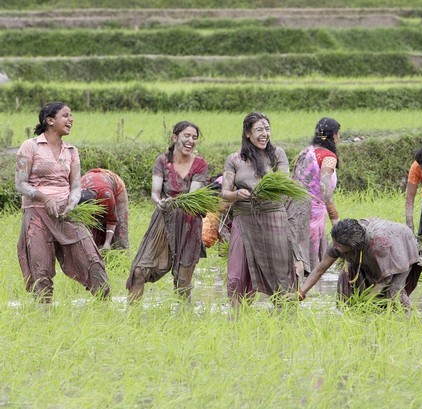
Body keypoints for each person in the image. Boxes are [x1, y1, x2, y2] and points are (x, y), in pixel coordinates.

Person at [15, 102, 110, 302]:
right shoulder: (30, 146)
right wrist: (44, 198)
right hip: (37, 215)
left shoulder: (71, 151)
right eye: (65, 115)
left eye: (71, 115)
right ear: (50, 120)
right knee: (41, 271)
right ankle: (43, 314)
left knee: (93, 262)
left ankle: (105, 309)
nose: (71, 119)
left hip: (67, 215)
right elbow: (20, 183)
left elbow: (75, 187)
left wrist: (71, 205)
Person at [126, 121, 208, 303]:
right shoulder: (162, 161)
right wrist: (160, 202)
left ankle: (184, 318)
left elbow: (192, 195)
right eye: (187, 136)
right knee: (139, 271)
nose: (191, 140)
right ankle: (131, 317)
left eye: (194, 137)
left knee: (183, 282)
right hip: (163, 221)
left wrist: (176, 202)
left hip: (189, 223)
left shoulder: (200, 164)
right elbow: (155, 192)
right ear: (175, 138)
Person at [221, 112, 296, 307]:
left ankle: (284, 312)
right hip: (244, 217)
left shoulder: (277, 154)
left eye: (267, 129)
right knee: (236, 273)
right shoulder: (234, 159)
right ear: (247, 133)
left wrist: (265, 191)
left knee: (280, 272)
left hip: (273, 217)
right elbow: (225, 193)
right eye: (259, 130)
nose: (265, 134)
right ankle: (237, 315)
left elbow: (284, 184)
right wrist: (237, 194)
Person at [292, 218, 422, 310]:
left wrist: (364, 302)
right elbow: (320, 269)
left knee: (393, 292)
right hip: (368, 248)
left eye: (338, 245)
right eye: (334, 242)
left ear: (353, 245)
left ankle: (409, 317)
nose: (334, 247)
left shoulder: (378, 246)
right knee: (345, 280)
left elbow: (385, 280)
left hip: (399, 246)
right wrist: (301, 293)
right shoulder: (339, 243)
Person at [286, 117, 341, 283]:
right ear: (334, 135)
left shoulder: (306, 152)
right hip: (313, 214)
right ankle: (309, 291)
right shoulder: (329, 157)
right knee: (312, 260)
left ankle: (295, 288)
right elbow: (326, 189)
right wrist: (335, 218)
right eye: (338, 134)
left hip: (295, 208)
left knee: (297, 252)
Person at [80, 168, 130, 250]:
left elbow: (112, 220)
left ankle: (121, 251)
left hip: (116, 186)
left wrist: (107, 243)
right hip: (92, 178)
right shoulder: (76, 196)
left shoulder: (106, 196)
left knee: (120, 227)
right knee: (93, 225)